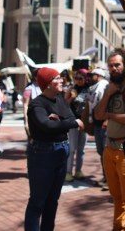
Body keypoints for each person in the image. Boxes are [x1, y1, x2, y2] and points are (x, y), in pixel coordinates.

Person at [24, 67, 84, 231]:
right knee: (37, 201)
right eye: (56, 78)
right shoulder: (37, 104)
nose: (62, 80)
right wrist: (66, 123)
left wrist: (60, 122)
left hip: (61, 151)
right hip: (43, 153)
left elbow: (69, 117)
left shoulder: (60, 99)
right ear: (47, 84)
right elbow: (47, 125)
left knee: (53, 201)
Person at [94, 48, 125, 231]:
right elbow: (98, 115)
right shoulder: (109, 88)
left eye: (117, 65)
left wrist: (111, 116)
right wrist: (107, 94)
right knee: (116, 196)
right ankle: (118, 227)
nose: (114, 69)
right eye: (111, 65)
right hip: (109, 149)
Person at [65, 68, 89, 181]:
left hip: (84, 122)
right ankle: (68, 172)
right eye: (76, 78)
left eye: (80, 78)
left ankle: (78, 170)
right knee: (72, 148)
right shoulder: (71, 89)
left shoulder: (89, 90)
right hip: (73, 122)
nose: (78, 80)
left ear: (85, 79)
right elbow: (64, 105)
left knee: (81, 149)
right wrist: (72, 97)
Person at [88, 67, 109, 184]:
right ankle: (106, 177)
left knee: (105, 152)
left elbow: (107, 104)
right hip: (97, 123)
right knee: (101, 152)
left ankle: (108, 178)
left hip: (104, 123)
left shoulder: (104, 85)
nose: (91, 77)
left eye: (93, 75)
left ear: (99, 75)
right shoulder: (94, 87)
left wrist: (106, 119)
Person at [23, 68, 42, 138]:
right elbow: (25, 106)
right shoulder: (29, 89)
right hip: (33, 119)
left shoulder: (46, 88)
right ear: (35, 77)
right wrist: (26, 122)